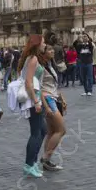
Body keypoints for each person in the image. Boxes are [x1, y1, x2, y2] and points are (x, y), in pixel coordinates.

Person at [17, 35, 49, 178]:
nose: (45, 44)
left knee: (42, 130)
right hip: (32, 99)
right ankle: (29, 164)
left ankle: (32, 162)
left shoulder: (31, 58)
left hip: (35, 97)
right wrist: (36, 101)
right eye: (43, 42)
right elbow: (28, 82)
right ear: (37, 44)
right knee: (36, 132)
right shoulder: (33, 59)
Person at [39, 44, 66, 172]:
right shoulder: (40, 67)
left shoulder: (50, 65)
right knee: (61, 130)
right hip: (48, 100)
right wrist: (46, 106)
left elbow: (53, 84)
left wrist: (61, 97)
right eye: (49, 50)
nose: (52, 51)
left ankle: (46, 161)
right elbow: (38, 88)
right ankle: (46, 158)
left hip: (53, 97)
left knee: (51, 131)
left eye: (52, 49)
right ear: (43, 53)